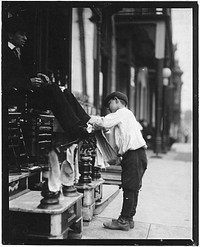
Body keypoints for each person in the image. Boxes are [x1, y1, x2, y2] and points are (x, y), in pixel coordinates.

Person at [3, 16, 90, 141]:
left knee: (63, 90)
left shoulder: (17, 52)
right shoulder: (4, 53)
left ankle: (86, 123)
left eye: (26, 35)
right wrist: (28, 82)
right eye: (21, 34)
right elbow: (5, 81)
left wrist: (37, 76)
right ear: (10, 35)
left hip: (25, 94)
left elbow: (19, 75)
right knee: (53, 89)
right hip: (15, 97)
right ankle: (74, 129)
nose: (25, 38)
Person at [89, 91, 148, 231]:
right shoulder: (127, 116)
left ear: (116, 100)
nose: (109, 108)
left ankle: (123, 221)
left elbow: (104, 122)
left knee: (129, 188)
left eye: (110, 104)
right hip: (136, 155)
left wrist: (87, 118)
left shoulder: (123, 113)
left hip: (134, 154)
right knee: (133, 188)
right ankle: (129, 218)